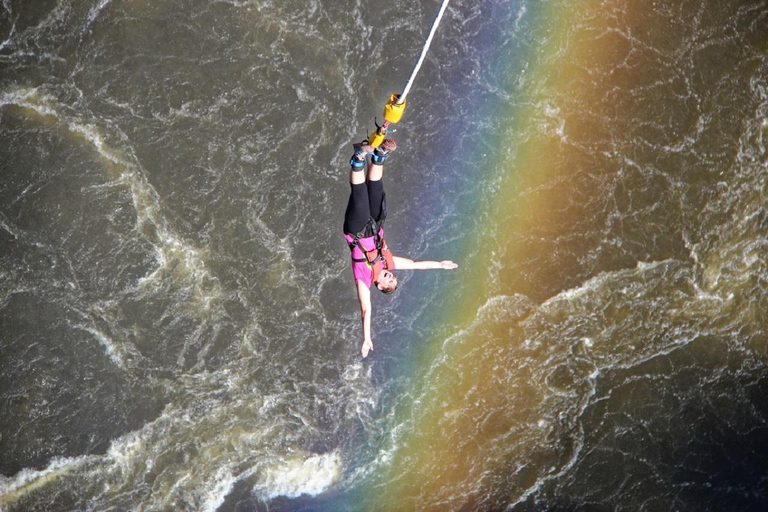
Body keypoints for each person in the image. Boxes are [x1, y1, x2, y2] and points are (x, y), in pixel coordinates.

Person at [343, 137, 458, 358]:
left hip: (356, 230)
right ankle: (379, 156)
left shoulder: (364, 279)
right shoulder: (387, 263)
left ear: (379, 285)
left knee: (360, 196)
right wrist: (440, 264)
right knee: (376, 191)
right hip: (374, 226)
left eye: (389, 282)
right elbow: (415, 264)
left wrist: (366, 337)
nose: (391, 277)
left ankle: (358, 157)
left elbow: (366, 309)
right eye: (393, 279)